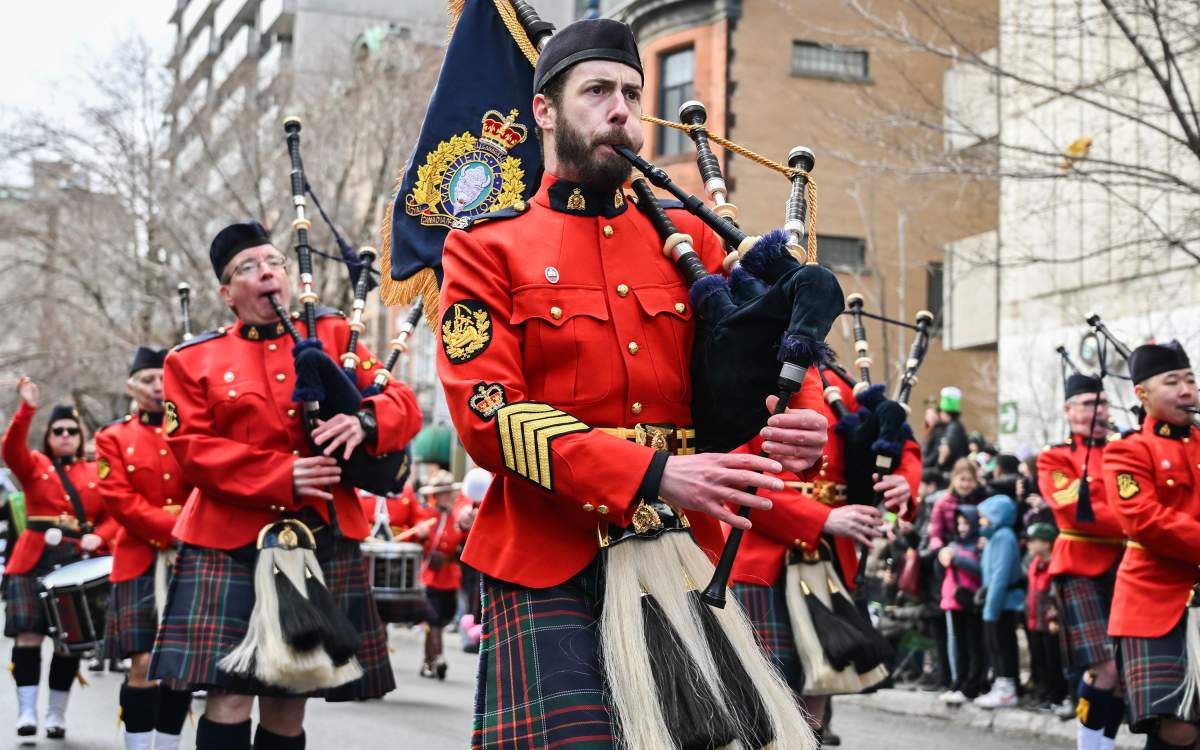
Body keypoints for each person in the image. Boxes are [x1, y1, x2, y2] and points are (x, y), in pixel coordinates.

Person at [435, 18, 829, 749]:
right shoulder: (487, 243)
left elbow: (771, 343)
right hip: (550, 554)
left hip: (683, 552)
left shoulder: (692, 236)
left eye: (631, 92)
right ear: (545, 112)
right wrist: (652, 474)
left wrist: (803, 417)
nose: (621, 108)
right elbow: (488, 415)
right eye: (598, 90)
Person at [148, 220, 423, 750]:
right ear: (227, 294)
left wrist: (364, 420)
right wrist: (282, 476)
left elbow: (401, 403)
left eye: (273, 262)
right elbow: (191, 451)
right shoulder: (191, 361)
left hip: (318, 537)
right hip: (228, 542)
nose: (267, 272)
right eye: (248, 268)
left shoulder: (338, 336)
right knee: (227, 694)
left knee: (290, 695)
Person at [729, 365, 920, 736]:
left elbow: (901, 443)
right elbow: (737, 474)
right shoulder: (742, 367)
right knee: (766, 691)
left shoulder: (843, 385)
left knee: (821, 681)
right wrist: (821, 519)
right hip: (760, 553)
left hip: (833, 556)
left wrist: (904, 481)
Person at [3, 378, 118, 739]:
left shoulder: (94, 471)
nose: (66, 435)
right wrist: (27, 409)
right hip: (32, 558)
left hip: (75, 561)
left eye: (72, 430)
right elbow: (10, 448)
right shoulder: (33, 464)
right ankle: (26, 711)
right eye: (58, 431)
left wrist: (101, 535)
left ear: (80, 436)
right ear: (48, 436)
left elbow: (116, 513)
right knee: (28, 636)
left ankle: (55, 714)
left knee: (69, 643)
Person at [95, 347, 195, 750]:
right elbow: (118, 499)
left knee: (179, 668)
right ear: (131, 388)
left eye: (162, 379)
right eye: (148, 380)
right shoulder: (112, 437)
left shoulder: (191, 430)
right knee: (143, 663)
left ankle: (167, 745)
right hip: (139, 557)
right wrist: (176, 528)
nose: (157, 387)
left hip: (190, 557)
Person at [1104, 341, 1200, 750]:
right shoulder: (1126, 450)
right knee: (1177, 728)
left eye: (1191, 380)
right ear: (1141, 394)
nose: (1187, 390)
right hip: (1153, 602)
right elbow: (1143, 519)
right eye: (1173, 381)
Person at [1037, 373, 1125, 749]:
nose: (1098, 411)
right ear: (1069, 410)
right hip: (1079, 569)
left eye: (1102, 403)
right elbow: (1075, 510)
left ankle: (1103, 742)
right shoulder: (1054, 457)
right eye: (1089, 404)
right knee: (1103, 668)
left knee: (1123, 672)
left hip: (1127, 569)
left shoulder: (1127, 450)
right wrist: (1136, 516)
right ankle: (1090, 746)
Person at [409, 469, 467, 679]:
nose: (446, 496)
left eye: (448, 492)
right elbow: (414, 540)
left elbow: (465, 540)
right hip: (430, 575)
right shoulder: (426, 516)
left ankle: (428, 662)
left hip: (450, 575)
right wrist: (419, 534)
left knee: (442, 620)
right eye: (442, 492)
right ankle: (439, 658)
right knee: (432, 619)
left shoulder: (457, 517)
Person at [974, 494, 1025, 709]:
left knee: (1002, 644)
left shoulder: (1004, 537)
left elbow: (1000, 575)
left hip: (1002, 603)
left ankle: (1007, 687)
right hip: (995, 602)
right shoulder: (996, 536)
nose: (981, 521)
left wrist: (991, 608)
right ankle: (1000, 683)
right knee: (995, 644)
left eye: (984, 517)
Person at [937, 506, 986, 704]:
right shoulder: (953, 544)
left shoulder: (979, 546)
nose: (962, 527)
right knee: (959, 647)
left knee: (973, 646)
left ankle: (972, 686)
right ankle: (959, 683)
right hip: (952, 602)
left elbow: (981, 570)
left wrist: (956, 559)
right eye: (959, 523)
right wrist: (942, 557)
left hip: (971, 601)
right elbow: (940, 572)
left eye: (966, 523)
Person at [1024, 522, 1068, 711]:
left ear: (1047, 543)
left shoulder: (1055, 565)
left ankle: (1055, 696)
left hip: (1049, 623)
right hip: (1034, 621)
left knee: (1053, 662)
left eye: (1034, 541)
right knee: (1039, 661)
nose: (1029, 545)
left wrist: (1054, 618)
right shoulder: (1035, 564)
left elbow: (1054, 596)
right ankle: (1042, 694)